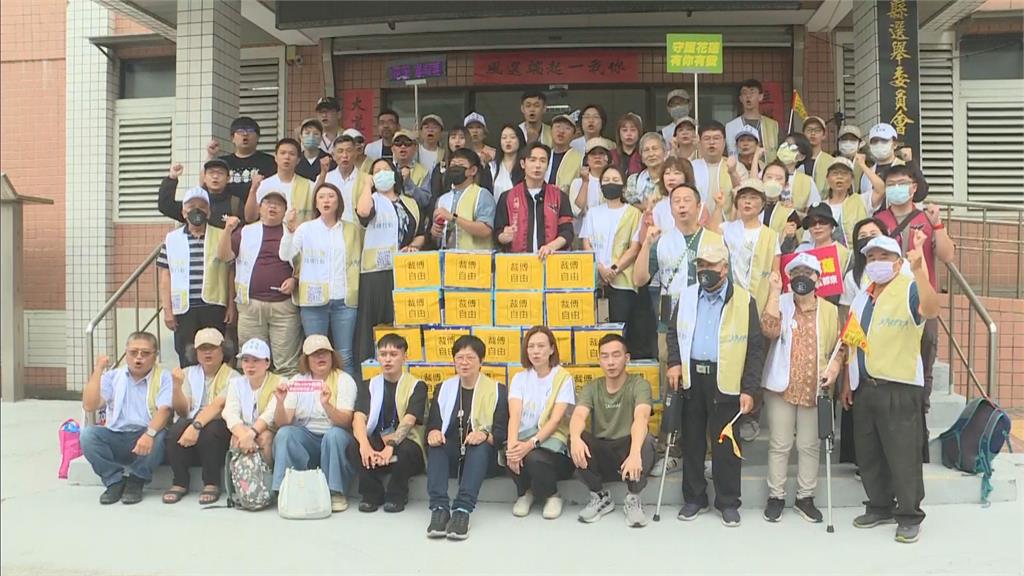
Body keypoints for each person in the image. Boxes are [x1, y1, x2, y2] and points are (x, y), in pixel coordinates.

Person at [845, 235, 940, 544]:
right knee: (869, 454)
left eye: (883, 257)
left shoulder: (909, 287)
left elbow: (931, 309)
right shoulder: (863, 296)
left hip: (898, 387)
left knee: (902, 456)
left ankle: (909, 515)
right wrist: (847, 380)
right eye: (871, 258)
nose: (876, 263)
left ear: (898, 262)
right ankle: (879, 506)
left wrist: (920, 271)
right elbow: (851, 341)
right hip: (865, 387)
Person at [666, 237, 766, 526]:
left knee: (725, 444)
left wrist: (750, 389)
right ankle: (694, 498)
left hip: (727, 381)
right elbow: (673, 333)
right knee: (693, 442)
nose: (704, 270)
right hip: (692, 379)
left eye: (710, 265)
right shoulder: (686, 296)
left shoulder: (744, 300)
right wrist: (674, 362)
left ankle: (728, 502)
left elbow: (755, 348)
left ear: (724, 267)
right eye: (700, 265)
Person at [760, 254, 843, 523]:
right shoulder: (782, 302)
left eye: (807, 273)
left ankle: (805, 497)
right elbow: (769, 330)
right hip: (781, 387)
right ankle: (776, 496)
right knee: (780, 443)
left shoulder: (829, 310)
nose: (802, 278)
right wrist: (774, 293)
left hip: (814, 387)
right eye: (796, 274)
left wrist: (834, 368)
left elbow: (839, 348)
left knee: (809, 445)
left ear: (817, 278)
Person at [874, 166, 955, 421]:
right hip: (887, 299)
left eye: (901, 183)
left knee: (925, 351)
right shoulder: (878, 220)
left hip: (921, 297)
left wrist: (938, 224)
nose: (896, 188)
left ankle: (921, 412)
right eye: (891, 184)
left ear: (913, 187)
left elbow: (947, 255)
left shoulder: (927, 219)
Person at [426, 335, 509, 540]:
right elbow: (433, 424)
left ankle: (462, 510)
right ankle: (439, 508)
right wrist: (433, 432)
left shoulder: (497, 390)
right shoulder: (443, 389)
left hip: (483, 460)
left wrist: (484, 435)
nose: (464, 363)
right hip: (453, 457)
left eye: (470, 358)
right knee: (436, 444)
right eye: (459, 357)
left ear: (481, 361)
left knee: (478, 446)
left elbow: (502, 434)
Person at [570, 334, 656, 527]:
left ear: (627, 358)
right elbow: (578, 416)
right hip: (603, 450)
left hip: (627, 449)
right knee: (576, 437)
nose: (610, 362)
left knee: (647, 441)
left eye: (616, 355)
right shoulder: (592, 387)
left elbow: (641, 417)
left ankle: (633, 498)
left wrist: (635, 453)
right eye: (605, 356)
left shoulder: (639, 385)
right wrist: (575, 438)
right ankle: (599, 496)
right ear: (599, 360)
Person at [279, 182, 361, 383]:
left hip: (344, 299)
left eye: (331, 196)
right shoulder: (306, 229)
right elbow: (285, 255)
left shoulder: (351, 229)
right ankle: (315, 396)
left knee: (344, 354)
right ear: (315, 203)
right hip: (313, 302)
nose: (326, 200)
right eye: (321, 197)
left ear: (338, 202)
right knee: (315, 354)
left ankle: (345, 396)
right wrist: (288, 230)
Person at [80, 332, 172, 505]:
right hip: (117, 434)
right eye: (133, 352)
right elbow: (89, 405)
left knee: (160, 435)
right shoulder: (113, 376)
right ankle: (114, 481)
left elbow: (164, 411)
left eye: (145, 353)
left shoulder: (163, 377)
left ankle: (137, 480)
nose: (138, 358)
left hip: (146, 436)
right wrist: (98, 370)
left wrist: (149, 434)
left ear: (155, 356)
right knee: (88, 435)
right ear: (126, 353)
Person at [219, 188, 301, 377]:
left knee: (286, 365)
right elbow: (224, 256)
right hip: (251, 306)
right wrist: (227, 230)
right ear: (260, 208)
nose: (273, 207)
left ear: (285, 210)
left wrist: (295, 280)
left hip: (284, 307)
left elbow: (303, 264)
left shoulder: (294, 232)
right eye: (268, 203)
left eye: (278, 204)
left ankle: (284, 397)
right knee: (251, 361)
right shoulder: (245, 232)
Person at [272, 335, 359, 512]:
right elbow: (283, 423)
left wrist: (327, 405)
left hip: (336, 435)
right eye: (315, 354)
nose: (320, 357)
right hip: (307, 437)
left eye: (324, 353)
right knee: (285, 434)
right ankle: (285, 489)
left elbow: (345, 421)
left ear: (332, 356)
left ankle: (335, 491)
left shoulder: (344, 380)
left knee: (334, 435)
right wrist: (280, 402)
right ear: (306, 359)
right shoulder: (297, 381)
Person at [353, 158, 427, 366]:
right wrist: (367, 185)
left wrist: (414, 246)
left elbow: (421, 234)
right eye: (376, 171)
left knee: (402, 320)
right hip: (376, 273)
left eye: (386, 169)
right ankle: (371, 368)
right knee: (375, 323)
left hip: (404, 270)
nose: (382, 173)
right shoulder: (371, 199)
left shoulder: (409, 202)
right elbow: (364, 213)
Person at [349, 333, 427, 513]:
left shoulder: (417, 386)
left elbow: (409, 420)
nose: (388, 359)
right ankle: (371, 494)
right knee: (354, 446)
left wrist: (390, 446)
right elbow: (358, 418)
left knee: (406, 450)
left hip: (404, 442)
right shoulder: (369, 385)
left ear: (405, 357)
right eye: (383, 354)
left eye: (393, 354)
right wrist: (364, 446)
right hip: (378, 442)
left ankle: (396, 495)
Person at [507, 326, 576, 519]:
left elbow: (555, 420)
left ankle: (552, 495)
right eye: (531, 346)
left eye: (541, 346)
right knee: (509, 453)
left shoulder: (563, 378)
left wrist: (530, 444)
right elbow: (515, 414)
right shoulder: (520, 378)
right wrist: (512, 446)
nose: (535, 351)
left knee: (533, 458)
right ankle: (525, 493)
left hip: (553, 444)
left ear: (552, 349)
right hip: (524, 438)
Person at [158, 187, 231, 367]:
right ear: (184, 212)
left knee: (216, 354)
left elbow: (230, 272)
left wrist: (231, 306)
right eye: (191, 207)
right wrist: (167, 310)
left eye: (202, 206)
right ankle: (188, 386)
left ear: (209, 211)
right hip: (184, 309)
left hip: (214, 306)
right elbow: (165, 275)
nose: (197, 211)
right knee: (187, 355)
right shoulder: (172, 238)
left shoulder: (221, 235)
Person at [163, 328, 237, 505]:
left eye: (212, 348)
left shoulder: (233, 376)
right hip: (192, 423)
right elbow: (183, 410)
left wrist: (196, 426)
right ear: (195, 352)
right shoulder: (188, 373)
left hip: (217, 424)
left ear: (223, 350)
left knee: (211, 430)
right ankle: (180, 481)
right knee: (175, 430)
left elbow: (218, 406)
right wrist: (176, 388)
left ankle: (211, 483)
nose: (207, 352)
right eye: (202, 348)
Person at [581, 167, 642, 337]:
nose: (610, 184)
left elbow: (634, 247)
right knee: (598, 330)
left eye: (615, 180)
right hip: (596, 280)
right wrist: (600, 268)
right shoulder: (593, 213)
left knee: (621, 331)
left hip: (622, 282)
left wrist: (614, 269)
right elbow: (586, 243)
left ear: (623, 185)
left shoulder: (634, 213)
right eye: (606, 180)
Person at [709, 179, 781, 315]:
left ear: (762, 203)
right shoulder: (728, 228)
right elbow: (711, 237)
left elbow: (775, 272)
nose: (747, 202)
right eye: (743, 197)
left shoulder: (771, 236)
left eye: (753, 198)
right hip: (730, 297)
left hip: (759, 300)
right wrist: (718, 206)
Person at [493, 143, 575, 255]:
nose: (538, 165)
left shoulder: (559, 196)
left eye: (542, 161)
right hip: (519, 262)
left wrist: (551, 247)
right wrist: (504, 236)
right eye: (532, 160)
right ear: (523, 164)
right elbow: (497, 232)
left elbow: (567, 231)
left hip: (550, 259)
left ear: (547, 165)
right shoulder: (508, 197)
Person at [223, 338, 281, 467]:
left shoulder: (280, 382)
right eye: (246, 360)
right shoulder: (236, 383)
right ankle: (240, 479)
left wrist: (251, 434)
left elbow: (270, 414)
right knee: (236, 438)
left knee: (264, 437)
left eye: (256, 360)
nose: (250, 365)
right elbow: (230, 412)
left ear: (267, 363)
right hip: (244, 429)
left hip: (268, 430)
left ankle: (266, 476)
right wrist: (244, 436)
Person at [246, 137, 328, 225]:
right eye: (282, 153)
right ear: (275, 157)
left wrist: (323, 173)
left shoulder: (308, 185)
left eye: (292, 154)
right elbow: (250, 218)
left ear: (298, 160)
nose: (287, 157)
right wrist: (253, 190)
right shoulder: (264, 184)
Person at [431, 148, 496, 250]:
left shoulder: (482, 195)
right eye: (453, 165)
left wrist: (453, 218)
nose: (455, 168)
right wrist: (435, 232)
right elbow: (436, 239)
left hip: (474, 257)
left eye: (460, 165)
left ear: (473, 170)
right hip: (447, 256)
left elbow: (486, 230)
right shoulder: (442, 199)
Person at [206, 116, 277, 208]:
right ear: (232, 138)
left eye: (250, 131)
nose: (245, 134)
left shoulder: (269, 161)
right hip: (227, 211)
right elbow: (205, 183)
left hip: (258, 211)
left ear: (258, 137)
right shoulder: (223, 162)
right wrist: (210, 155)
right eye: (240, 131)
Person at [797, 202, 853, 304]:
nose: (817, 227)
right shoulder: (802, 252)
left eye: (822, 222)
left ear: (832, 226)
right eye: (812, 223)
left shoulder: (845, 255)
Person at [823, 156, 883, 247]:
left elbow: (880, 189)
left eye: (844, 173)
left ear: (851, 179)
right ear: (827, 178)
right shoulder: (822, 206)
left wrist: (862, 165)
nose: (839, 177)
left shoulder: (861, 200)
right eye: (835, 173)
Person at [862, 123, 928, 202]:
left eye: (884, 140)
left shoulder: (906, 167)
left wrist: (910, 162)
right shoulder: (866, 173)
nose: (879, 144)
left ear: (894, 144)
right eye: (874, 141)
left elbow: (921, 194)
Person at [158, 159, 235, 226]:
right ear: (204, 178)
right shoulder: (193, 202)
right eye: (211, 172)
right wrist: (172, 177)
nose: (215, 176)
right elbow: (165, 206)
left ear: (228, 178)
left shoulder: (235, 204)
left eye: (220, 173)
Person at [429, 125, 494, 203]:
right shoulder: (440, 168)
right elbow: (435, 197)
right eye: (453, 138)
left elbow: (488, 194)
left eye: (461, 138)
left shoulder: (480, 166)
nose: (457, 141)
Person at [692, 121, 741, 219]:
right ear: (699, 143)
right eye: (707, 139)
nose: (711, 142)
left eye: (716, 138)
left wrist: (732, 172)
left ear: (724, 142)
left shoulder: (737, 166)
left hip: (726, 224)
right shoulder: (691, 167)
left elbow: (742, 195)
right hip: (698, 224)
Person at [725, 79, 780, 160]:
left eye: (752, 92)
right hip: (739, 167)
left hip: (767, 167)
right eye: (744, 93)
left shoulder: (773, 125)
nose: (748, 96)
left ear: (760, 97)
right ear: (740, 98)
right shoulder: (730, 126)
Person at [569, 137, 614, 231]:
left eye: (601, 153)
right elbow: (576, 211)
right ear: (587, 159)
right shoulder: (577, 183)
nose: (597, 157)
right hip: (583, 232)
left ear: (607, 158)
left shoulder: (614, 181)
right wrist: (585, 182)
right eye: (593, 154)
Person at [760, 160, 803, 251]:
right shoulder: (752, 207)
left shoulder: (789, 212)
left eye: (779, 179)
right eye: (769, 177)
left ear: (786, 185)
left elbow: (794, 246)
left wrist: (789, 237)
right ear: (761, 179)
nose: (773, 181)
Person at [776, 133, 822, 216]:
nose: (786, 149)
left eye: (792, 147)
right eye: (784, 145)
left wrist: (794, 213)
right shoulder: (767, 173)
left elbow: (814, 212)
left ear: (801, 157)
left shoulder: (807, 181)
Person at [624, 132, 668, 210]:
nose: (651, 154)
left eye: (655, 148)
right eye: (646, 150)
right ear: (641, 157)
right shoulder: (633, 180)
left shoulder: (672, 178)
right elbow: (630, 205)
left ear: (665, 152)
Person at [391, 129, 431, 206]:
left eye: (407, 143)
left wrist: (409, 183)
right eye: (398, 143)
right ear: (392, 148)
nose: (403, 146)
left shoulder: (423, 172)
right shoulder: (386, 168)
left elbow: (425, 201)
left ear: (415, 148)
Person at [546, 114, 583, 194]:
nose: (561, 131)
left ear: (574, 135)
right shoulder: (543, 155)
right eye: (558, 126)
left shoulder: (580, 159)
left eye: (567, 128)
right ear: (550, 131)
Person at [490, 124, 526, 200]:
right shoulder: (491, 167)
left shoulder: (526, 166)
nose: (508, 141)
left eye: (512, 137)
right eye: (504, 138)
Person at [801, 116, 834, 194]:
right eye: (809, 130)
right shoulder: (796, 160)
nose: (813, 133)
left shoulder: (831, 161)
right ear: (803, 134)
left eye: (817, 130)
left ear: (824, 135)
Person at [611, 113, 644, 177]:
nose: (629, 134)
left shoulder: (643, 155)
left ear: (639, 133)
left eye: (633, 130)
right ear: (619, 133)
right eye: (625, 130)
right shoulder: (611, 155)